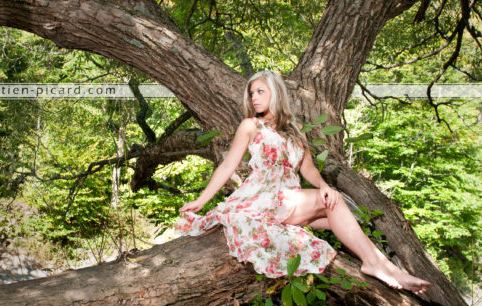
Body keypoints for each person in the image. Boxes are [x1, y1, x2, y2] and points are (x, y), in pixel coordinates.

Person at [177, 70, 429, 294]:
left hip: (288, 198)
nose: (254, 97)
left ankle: (385, 266)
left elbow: (307, 169)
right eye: (252, 93)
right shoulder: (250, 126)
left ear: (275, 94)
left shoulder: (295, 131)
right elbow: (227, 165)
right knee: (334, 203)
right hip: (262, 199)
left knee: (334, 209)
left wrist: (325, 186)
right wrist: (201, 200)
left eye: (260, 91)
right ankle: (376, 264)